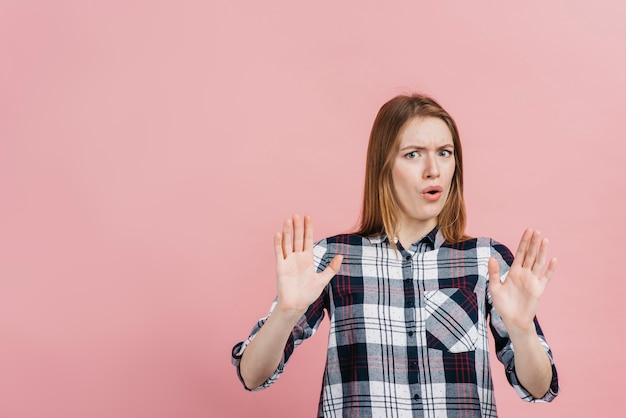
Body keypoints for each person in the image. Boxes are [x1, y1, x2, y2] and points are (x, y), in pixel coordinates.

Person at [231, 94, 559, 417]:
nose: (433, 170)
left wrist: (521, 329)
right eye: (413, 154)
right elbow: (252, 375)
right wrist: (286, 313)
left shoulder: (485, 259)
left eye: (445, 153)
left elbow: (539, 388)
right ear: (384, 165)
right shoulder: (333, 259)